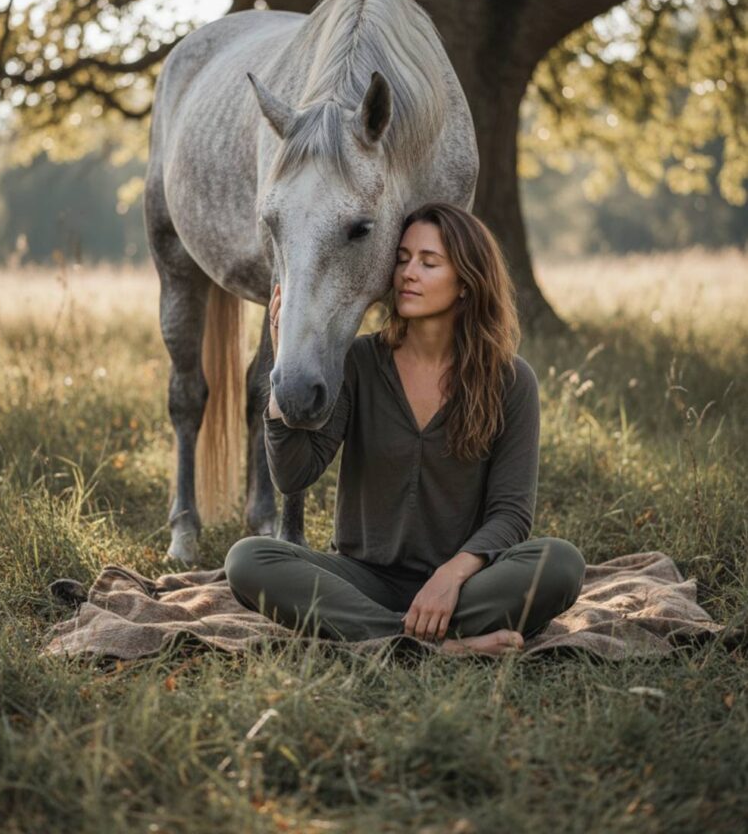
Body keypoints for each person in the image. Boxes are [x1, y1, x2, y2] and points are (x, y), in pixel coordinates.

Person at [224, 202, 586, 657]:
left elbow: (510, 516)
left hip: (465, 583)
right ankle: (439, 645)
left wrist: (450, 577)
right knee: (249, 559)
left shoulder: (511, 381)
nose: (407, 273)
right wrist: (282, 372)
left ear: (466, 284)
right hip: (360, 580)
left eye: (428, 263)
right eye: (401, 259)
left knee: (561, 563)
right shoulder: (358, 362)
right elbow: (293, 476)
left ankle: (381, 638)